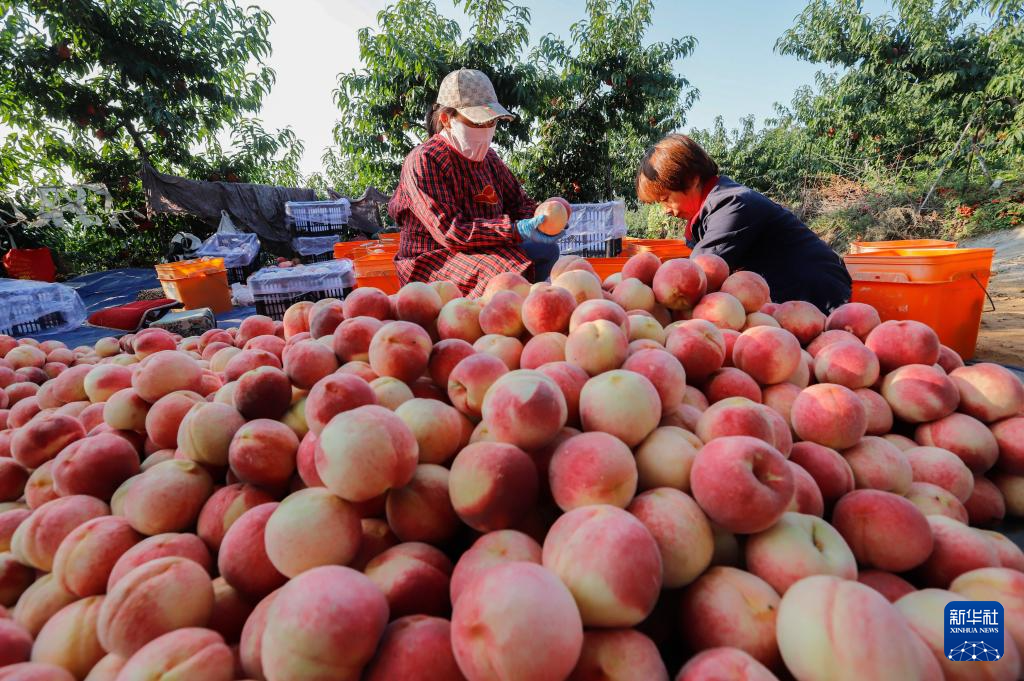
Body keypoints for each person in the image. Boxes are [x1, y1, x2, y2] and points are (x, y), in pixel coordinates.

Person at [388, 68, 563, 298]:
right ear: (446, 120)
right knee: (501, 275)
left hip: (482, 247)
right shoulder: (424, 160)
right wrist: (514, 229)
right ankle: (491, 320)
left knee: (545, 249)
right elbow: (452, 232)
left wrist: (541, 218)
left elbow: (518, 203)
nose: (486, 130)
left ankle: (525, 310)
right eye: (477, 122)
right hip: (434, 258)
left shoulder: (489, 159)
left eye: (491, 122)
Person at [636, 134, 852, 312]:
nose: (665, 210)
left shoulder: (731, 204)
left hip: (817, 300)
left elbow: (697, 275)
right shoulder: (714, 208)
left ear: (692, 178)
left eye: (665, 199)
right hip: (787, 300)